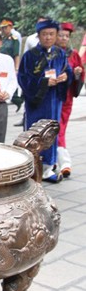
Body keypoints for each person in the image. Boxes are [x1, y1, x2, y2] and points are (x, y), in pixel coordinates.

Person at [18, 19, 73, 182]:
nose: (48, 37)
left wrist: (65, 77)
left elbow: (67, 70)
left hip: (54, 100)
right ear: (39, 36)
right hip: (37, 102)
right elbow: (23, 78)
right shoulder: (30, 56)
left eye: (51, 34)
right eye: (44, 34)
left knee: (52, 132)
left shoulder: (60, 53)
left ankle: (49, 168)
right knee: (35, 132)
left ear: (56, 35)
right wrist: (43, 82)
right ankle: (33, 167)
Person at [55, 22, 84, 178]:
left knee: (61, 127)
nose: (64, 38)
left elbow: (79, 76)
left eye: (66, 36)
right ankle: (63, 161)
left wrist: (78, 73)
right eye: (61, 35)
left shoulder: (73, 55)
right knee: (54, 127)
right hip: (51, 96)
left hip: (66, 97)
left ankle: (60, 161)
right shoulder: (50, 53)